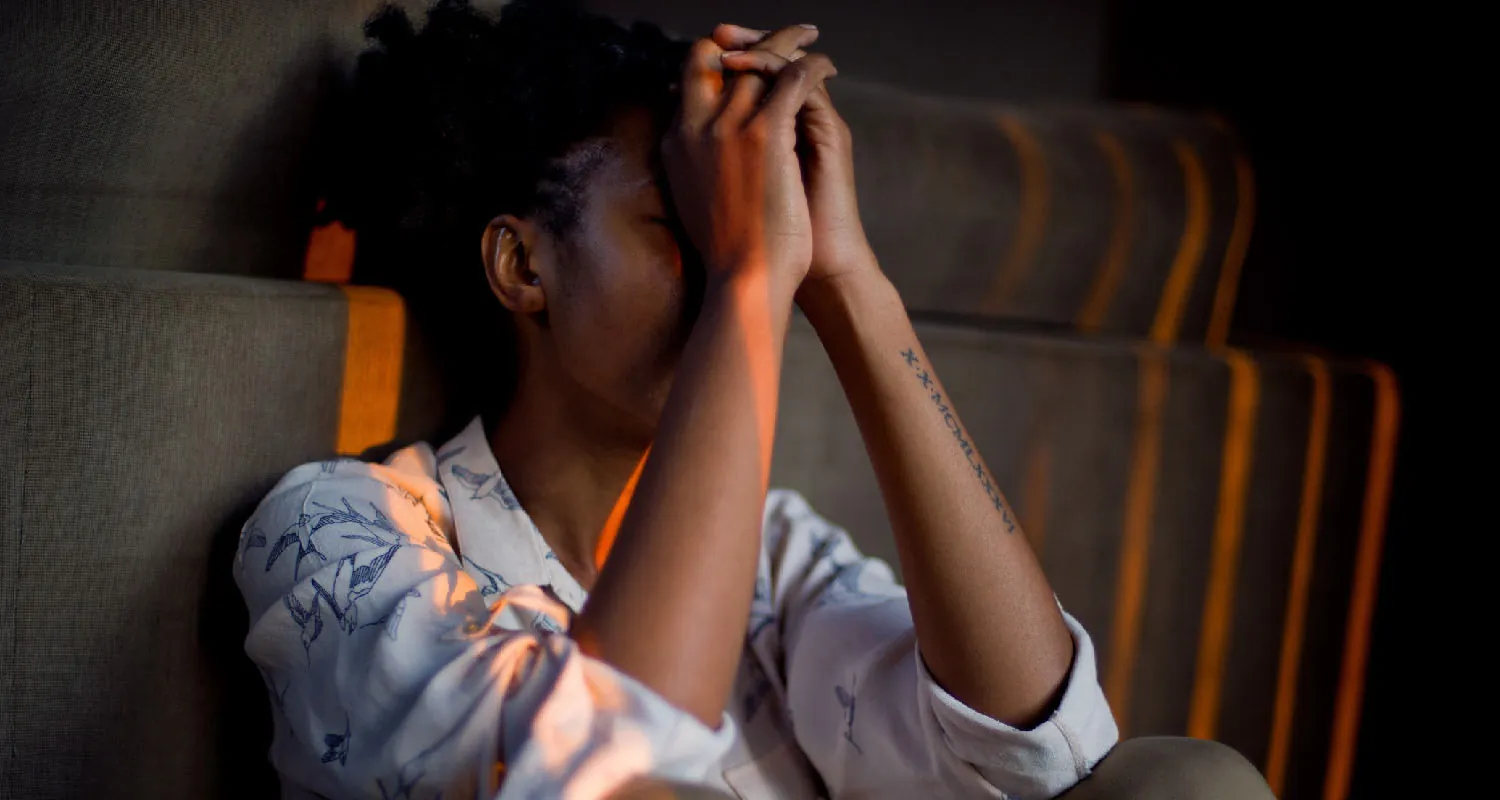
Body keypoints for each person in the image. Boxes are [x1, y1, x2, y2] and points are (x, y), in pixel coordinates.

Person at [234, 1, 1119, 796]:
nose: (733, 257)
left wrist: (850, 283)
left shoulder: (775, 552)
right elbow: (613, 764)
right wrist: (749, 272)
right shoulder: (340, 531)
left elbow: (1040, 752)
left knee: (1187, 777)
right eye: (683, 224)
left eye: (744, 226)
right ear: (523, 264)